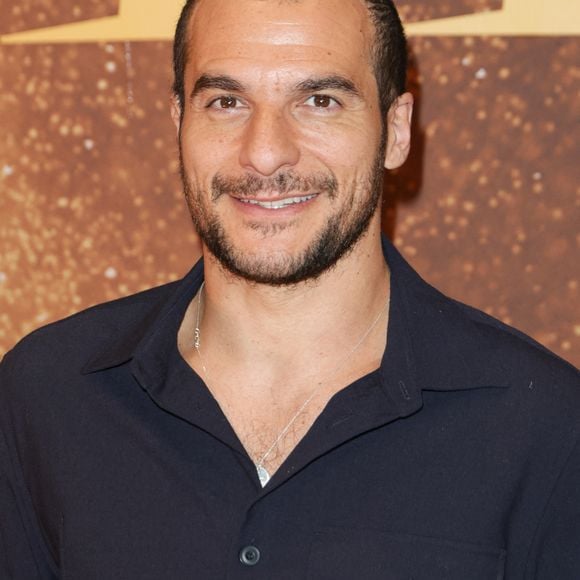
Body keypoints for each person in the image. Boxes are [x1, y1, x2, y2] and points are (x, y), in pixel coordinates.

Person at [1, 0, 578, 577]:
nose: (266, 151)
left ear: (396, 131)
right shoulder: (46, 396)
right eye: (227, 102)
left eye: (319, 101)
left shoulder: (544, 426)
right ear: (179, 123)